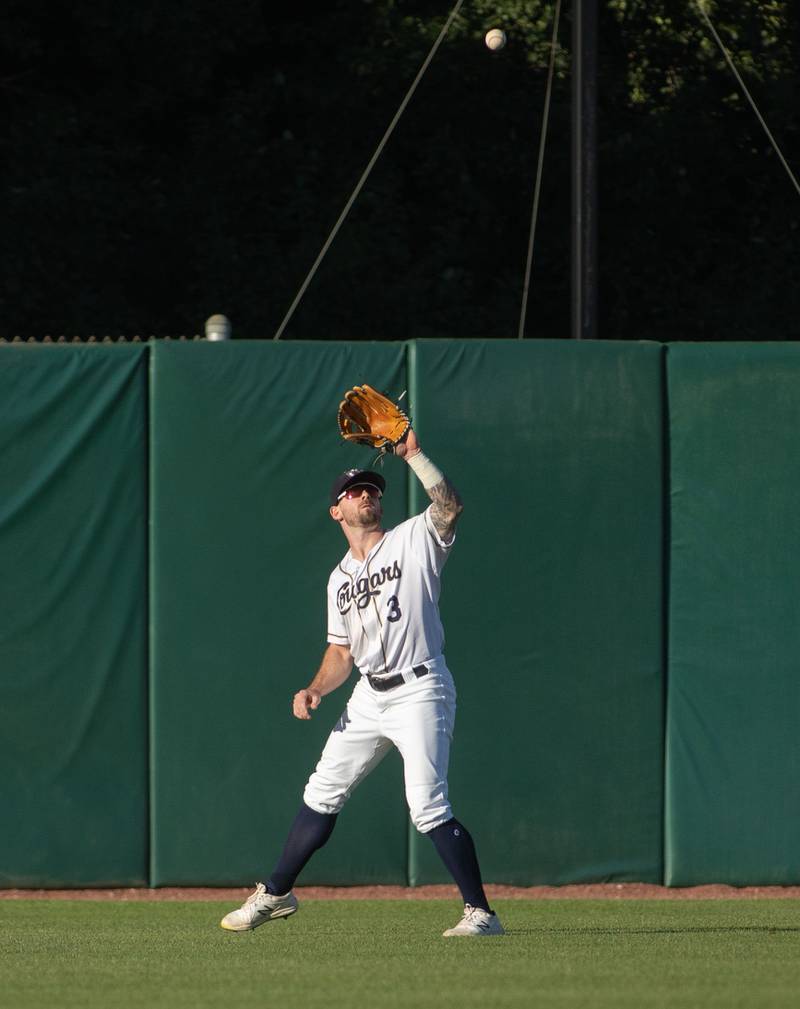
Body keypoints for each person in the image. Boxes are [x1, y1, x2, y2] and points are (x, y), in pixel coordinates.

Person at [221, 429, 503, 937]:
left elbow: (449, 507)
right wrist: (315, 688)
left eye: (372, 488)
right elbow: (340, 653)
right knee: (322, 790)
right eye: (354, 491)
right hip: (369, 694)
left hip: (420, 686)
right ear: (337, 512)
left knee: (427, 805)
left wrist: (413, 455)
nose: (366, 494)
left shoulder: (413, 538)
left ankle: (480, 913)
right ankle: (276, 894)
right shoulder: (338, 579)